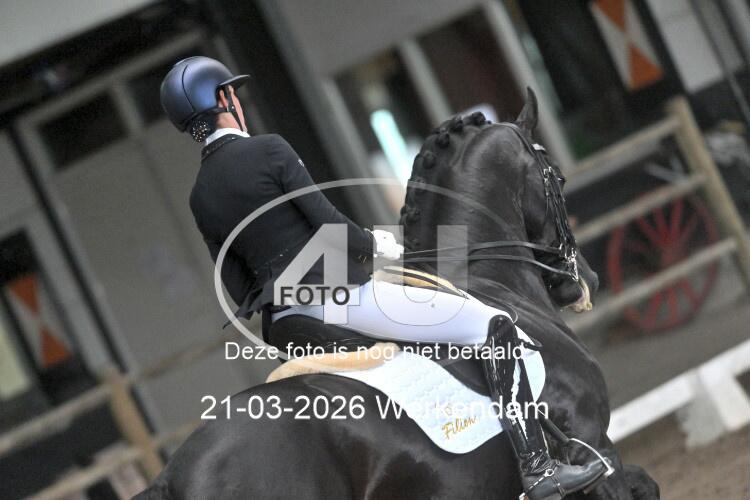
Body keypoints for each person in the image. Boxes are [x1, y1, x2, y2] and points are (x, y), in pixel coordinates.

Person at [160, 56, 610, 499]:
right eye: (232, 94)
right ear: (224, 98)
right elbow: (327, 223)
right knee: (494, 326)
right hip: (340, 301)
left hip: (285, 327)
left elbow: (238, 286)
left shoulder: (200, 195)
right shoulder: (268, 149)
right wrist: (381, 246)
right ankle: (538, 466)